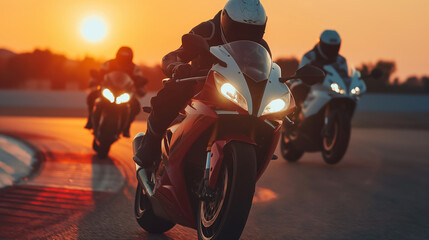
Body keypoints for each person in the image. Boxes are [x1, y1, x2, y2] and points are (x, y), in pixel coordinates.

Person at [134, 0, 270, 168]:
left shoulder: (260, 47)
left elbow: (266, 74)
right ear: (226, 20)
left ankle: (259, 149)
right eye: (238, 28)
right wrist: (177, 67)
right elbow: (173, 56)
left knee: (269, 110)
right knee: (172, 93)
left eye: (252, 31)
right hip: (198, 84)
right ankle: (150, 145)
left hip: (238, 93)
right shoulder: (207, 30)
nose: (244, 34)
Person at [84, 46, 147, 137]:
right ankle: (90, 120)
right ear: (118, 55)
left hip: (124, 92)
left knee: (136, 106)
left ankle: (126, 127)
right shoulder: (109, 63)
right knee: (92, 97)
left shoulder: (134, 68)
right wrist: (96, 78)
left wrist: (140, 83)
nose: (124, 59)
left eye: (126, 57)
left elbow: (139, 78)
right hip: (107, 89)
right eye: (122, 56)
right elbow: (100, 72)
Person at [290, 30, 348, 108]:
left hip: (333, 90)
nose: (331, 50)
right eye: (329, 47)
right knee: (299, 88)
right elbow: (300, 76)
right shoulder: (309, 57)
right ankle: (296, 114)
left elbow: (345, 77)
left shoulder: (341, 61)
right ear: (321, 44)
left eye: (334, 47)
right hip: (312, 88)